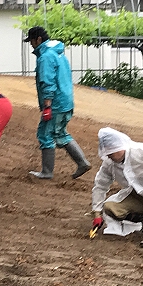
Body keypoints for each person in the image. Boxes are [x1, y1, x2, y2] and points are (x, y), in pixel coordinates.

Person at [23, 25, 91, 179]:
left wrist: (47, 105)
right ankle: (82, 163)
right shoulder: (59, 54)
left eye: (32, 41)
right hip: (66, 101)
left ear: (38, 39)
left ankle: (47, 172)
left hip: (56, 103)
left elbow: (48, 82)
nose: (31, 45)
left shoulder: (46, 56)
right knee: (59, 133)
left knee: (45, 134)